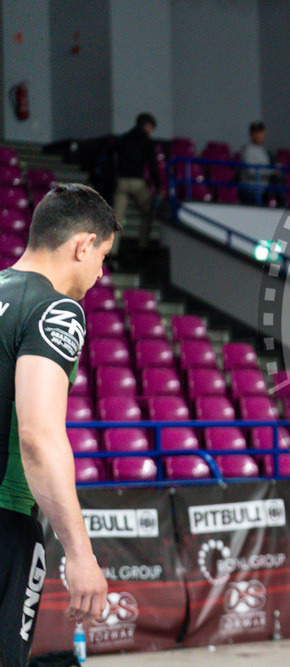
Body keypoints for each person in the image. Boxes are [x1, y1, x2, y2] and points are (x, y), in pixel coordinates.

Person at [0, 184, 117, 664]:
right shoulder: (55, 309)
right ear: (83, 244)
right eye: (103, 256)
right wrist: (80, 553)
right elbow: (39, 436)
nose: (100, 272)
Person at [112, 112, 159, 258]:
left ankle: (111, 252)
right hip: (137, 182)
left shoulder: (123, 139)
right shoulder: (147, 142)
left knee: (117, 220)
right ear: (147, 126)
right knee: (148, 212)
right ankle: (142, 245)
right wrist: (158, 185)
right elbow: (152, 165)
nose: (152, 130)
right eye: (151, 127)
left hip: (121, 182)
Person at [239, 121, 272, 206]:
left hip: (263, 189)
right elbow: (251, 171)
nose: (258, 135)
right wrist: (272, 172)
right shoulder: (248, 150)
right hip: (251, 190)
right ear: (251, 134)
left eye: (260, 132)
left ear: (264, 133)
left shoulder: (263, 150)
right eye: (255, 132)